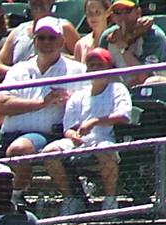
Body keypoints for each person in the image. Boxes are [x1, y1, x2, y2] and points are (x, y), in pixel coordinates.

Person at [0, 16, 86, 203]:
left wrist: (71, 102)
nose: (46, 42)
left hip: (52, 136)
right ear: (34, 40)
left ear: (62, 41)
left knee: (19, 149)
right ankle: (17, 196)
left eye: (51, 38)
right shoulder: (18, 70)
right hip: (11, 135)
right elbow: (2, 105)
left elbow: (88, 106)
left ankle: (17, 196)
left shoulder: (77, 70)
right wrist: (43, 103)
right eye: (41, 37)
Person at [42, 47, 131, 214]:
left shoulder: (118, 89)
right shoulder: (79, 95)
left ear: (109, 68)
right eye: (92, 65)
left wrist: (95, 121)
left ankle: (110, 201)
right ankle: (71, 199)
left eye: (100, 65)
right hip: (80, 143)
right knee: (49, 151)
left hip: (107, 138)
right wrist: (73, 136)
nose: (95, 68)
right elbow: (68, 128)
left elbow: (124, 116)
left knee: (105, 150)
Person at [0, 0, 79, 81]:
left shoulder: (64, 28)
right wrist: (25, 72)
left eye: (51, 38)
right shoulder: (18, 31)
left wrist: (53, 57)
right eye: (41, 38)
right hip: (23, 91)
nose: (38, 1)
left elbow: (82, 60)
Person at [99, 0, 166, 86]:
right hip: (125, 90)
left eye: (127, 11)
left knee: (150, 81)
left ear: (138, 12)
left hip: (164, 85)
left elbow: (143, 77)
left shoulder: (153, 35)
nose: (123, 17)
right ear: (112, 16)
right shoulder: (107, 37)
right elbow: (100, 74)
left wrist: (123, 49)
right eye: (118, 12)